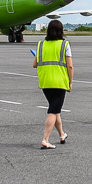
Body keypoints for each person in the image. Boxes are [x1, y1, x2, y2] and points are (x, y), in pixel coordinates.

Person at [32, 19, 73, 149]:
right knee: (53, 110)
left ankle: (62, 134)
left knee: (56, 110)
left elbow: (34, 64)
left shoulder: (41, 45)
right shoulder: (64, 44)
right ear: (61, 31)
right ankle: (45, 139)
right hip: (59, 82)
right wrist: (70, 82)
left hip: (45, 82)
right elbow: (70, 66)